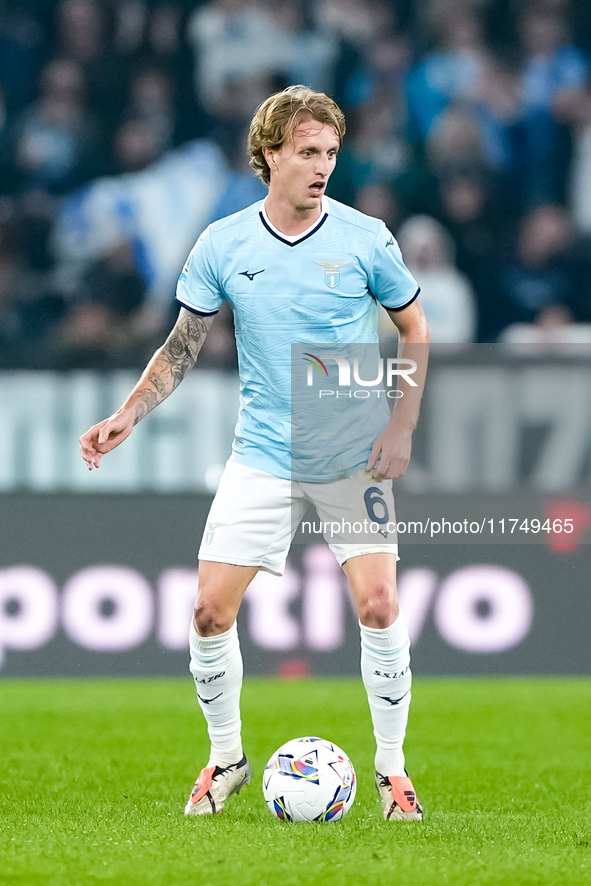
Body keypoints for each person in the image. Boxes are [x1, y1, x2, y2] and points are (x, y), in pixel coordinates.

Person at [79, 86, 430, 822]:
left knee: (379, 603)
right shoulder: (224, 244)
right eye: (307, 152)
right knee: (208, 611)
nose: (322, 166)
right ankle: (227, 758)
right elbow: (182, 345)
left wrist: (400, 426)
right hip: (264, 453)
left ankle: (392, 771)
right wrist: (128, 413)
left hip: (350, 455)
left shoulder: (367, 238)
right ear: (268, 154)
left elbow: (415, 330)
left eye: (330, 153)